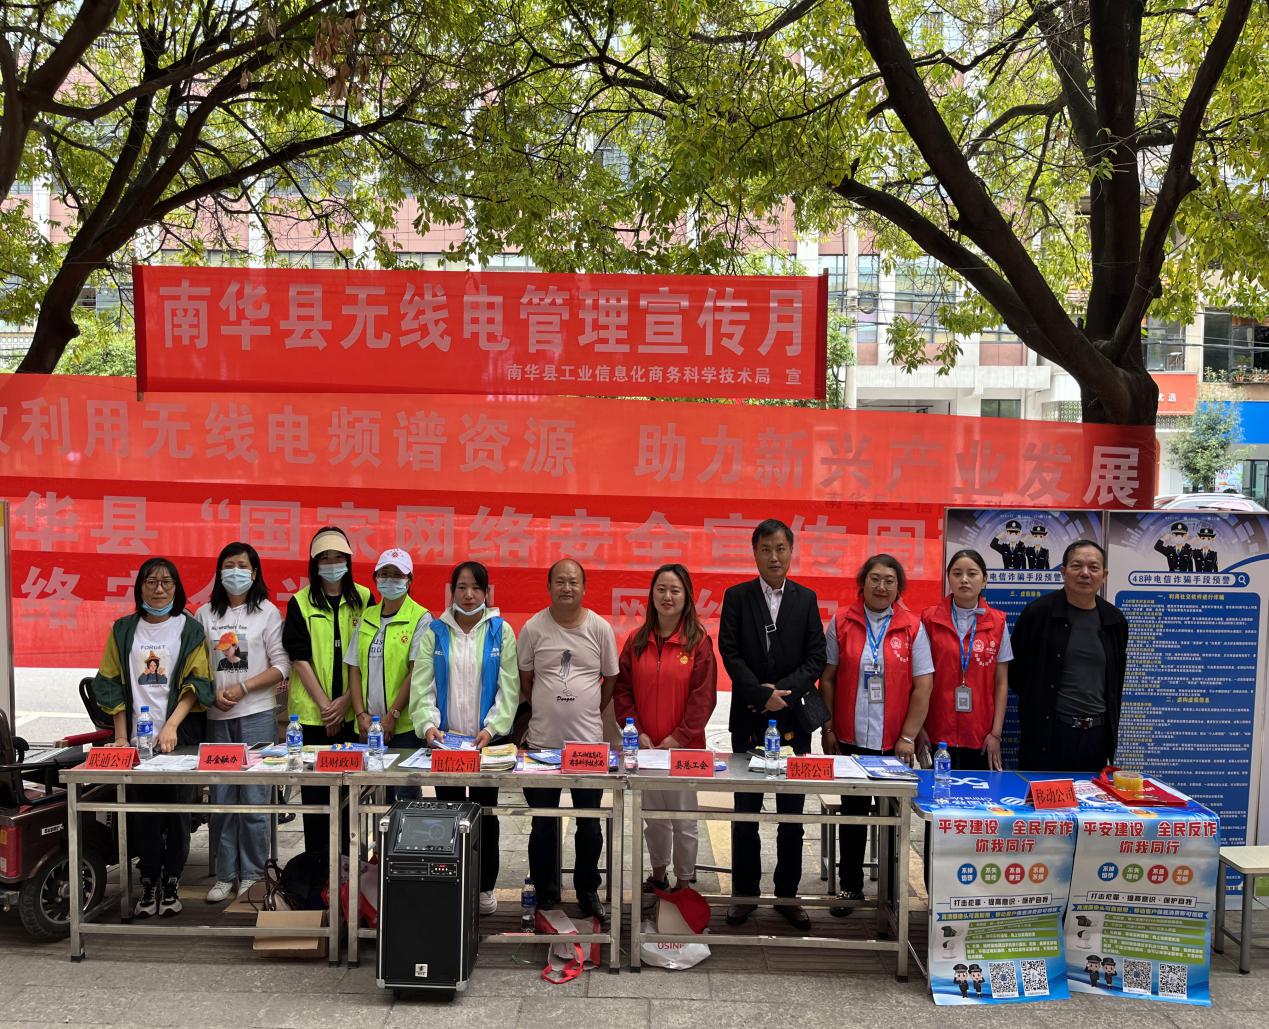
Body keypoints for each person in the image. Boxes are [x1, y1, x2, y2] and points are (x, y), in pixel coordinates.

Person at [718, 518, 826, 931]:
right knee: (745, 814)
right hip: (749, 717)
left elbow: (815, 657)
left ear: (791, 552)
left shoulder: (806, 599)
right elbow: (729, 652)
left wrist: (784, 693)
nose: (774, 557)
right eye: (766, 549)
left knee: (792, 817)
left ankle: (787, 895)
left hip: (793, 720)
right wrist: (760, 694)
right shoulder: (737, 597)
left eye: (781, 548)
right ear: (755, 553)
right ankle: (744, 895)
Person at [90, 558, 213, 918]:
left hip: (179, 736)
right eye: (151, 582)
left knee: (176, 813)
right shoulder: (123, 629)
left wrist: (171, 726)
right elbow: (109, 682)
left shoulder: (189, 629)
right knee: (142, 814)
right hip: (137, 741)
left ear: (177, 588)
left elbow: (198, 682)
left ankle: (172, 881)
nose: (159, 589)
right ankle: (147, 882)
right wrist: (121, 736)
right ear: (139, 587)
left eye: (166, 582)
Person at [820, 554, 933, 917]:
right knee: (853, 816)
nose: (881, 586)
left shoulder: (912, 627)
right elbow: (828, 679)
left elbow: (923, 686)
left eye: (889, 580)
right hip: (849, 737)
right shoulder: (842, 621)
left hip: (894, 743)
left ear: (899, 588)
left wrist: (908, 737)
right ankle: (850, 886)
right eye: (874, 579)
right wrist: (828, 727)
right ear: (862, 583)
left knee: (893, 820)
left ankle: (890, 891)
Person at [411, 560, 520, 915]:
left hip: (488, 745)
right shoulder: (435, 632)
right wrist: (428, 725)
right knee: (449, 812)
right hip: (447, 745)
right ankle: (453, 882)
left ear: (486, 592)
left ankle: (485, 886)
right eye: (462, 587)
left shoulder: (501, 631)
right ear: (452, 591)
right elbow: (423, 685)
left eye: (476, 588)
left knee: (486, 813)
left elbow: (509, 688)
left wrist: (492, 728)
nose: (469, 595)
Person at [519, 558, 619, 922]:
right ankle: (546, 893)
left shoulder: (600, 628)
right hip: (541, 744)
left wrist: (587, 709)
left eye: (573, 582)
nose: (567, 588)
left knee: (589, 823)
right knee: (542, 823)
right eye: (560, 581)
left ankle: (587, 890)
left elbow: (610, 679)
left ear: (584, 587)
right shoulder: (533, 628)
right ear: (549, 587)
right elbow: (526, 679)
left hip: (587, 747)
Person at [614, 564, 718, 895]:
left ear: (687, 597)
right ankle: (658, 875)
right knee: (653, 817)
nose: (667, 596)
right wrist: (636, 731)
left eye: (675, 590)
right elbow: (623, 691)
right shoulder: (636, 640)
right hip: (646, 749)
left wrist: (678, 738)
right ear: (652, 595)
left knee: (684, 819)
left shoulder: (698, 642)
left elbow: (703, 698)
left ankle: (684, 883)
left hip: (685, 751)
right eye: (661, 589)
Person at [197, 542, 291, 903]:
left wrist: (244, 688)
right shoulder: (204, 614)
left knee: (254, 801)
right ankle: (225, 874)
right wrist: (211, 693)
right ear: (219, 572)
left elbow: (281, 665)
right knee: (222, 800)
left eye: (242, 566)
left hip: (256, 715)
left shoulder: (267, 612)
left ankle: (253, 874)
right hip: (217, 718)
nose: (235, 572)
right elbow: (197, 666)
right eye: (229, 565)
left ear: (254, 573)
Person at [282, 526, 370, 857]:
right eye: (325, 558)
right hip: (310, 717)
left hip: (351, 714)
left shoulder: (364, 598)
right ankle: (318, 869)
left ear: (348, 560)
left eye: (338, 557)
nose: (332, 563)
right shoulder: (300, 602)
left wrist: (346, 702)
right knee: (317, 800)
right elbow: (299, 657)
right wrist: (325, 707)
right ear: (314, 563)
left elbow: (368, 655)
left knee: (350, 797)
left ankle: (349, 869)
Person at [1010, 540, 1129, 772]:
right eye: (1077, 566)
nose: (1085, 573)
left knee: (1090, 794)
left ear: (1104, 575)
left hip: (1096, 736)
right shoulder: (1037, 614)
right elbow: (1015, 674)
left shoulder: (1114, 621)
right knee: (1043, 793)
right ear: (1063, 571)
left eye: (1093, 567)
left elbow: (1115, 680)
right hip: (1049, 733)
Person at [920, 549, 1011, 772]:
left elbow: (1001, 683)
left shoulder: (998, 623)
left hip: (981, 734)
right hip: (936, 730)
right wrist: (918, 728)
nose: (964, 580)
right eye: (957, 573)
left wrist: (996, 733)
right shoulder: (929, 619)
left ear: (984, 580)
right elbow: (918, 680)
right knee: (936, 790)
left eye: (972, 573)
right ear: (948, 578)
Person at [346, 547, 431, 761]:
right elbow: (354, 668)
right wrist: (360, 715)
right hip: (367, 725)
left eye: (397, 575)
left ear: (409, 581)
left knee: (401, 780)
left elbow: (415, 671)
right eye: (384, 574)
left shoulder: (421, 617)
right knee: (367, 778)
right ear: (376, 578)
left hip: (403, 726)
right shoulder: (367, 616)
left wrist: (393, 715)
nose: (390, 580)